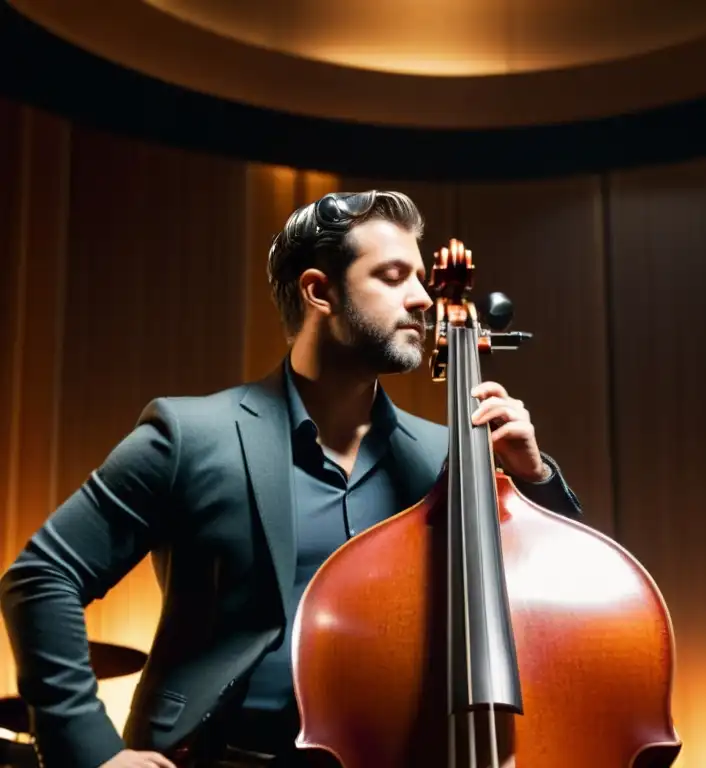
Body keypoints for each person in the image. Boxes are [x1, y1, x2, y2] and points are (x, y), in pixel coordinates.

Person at [0, 191, 583, 768]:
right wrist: (91, 752)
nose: (422, 299)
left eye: (420, 277)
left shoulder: (447, 458)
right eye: (393, 275)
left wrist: (533, 476)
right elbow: (42, 575)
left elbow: (562, 609)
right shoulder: (191, 434)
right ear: (318, 291)